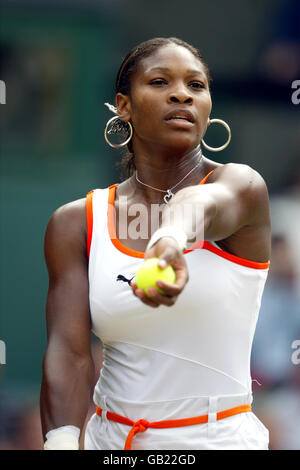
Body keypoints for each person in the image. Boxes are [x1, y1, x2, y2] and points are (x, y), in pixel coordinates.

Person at [40, 37, 271, 450]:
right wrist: (60, 443)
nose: (182, 93)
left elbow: (199, 204)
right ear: (124, 106)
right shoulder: (75, 222)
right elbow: (69, 353)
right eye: (161, 81)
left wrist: (166, 241)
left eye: (196, 86)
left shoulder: (243, 186)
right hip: (110, 443)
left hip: (217, 440)